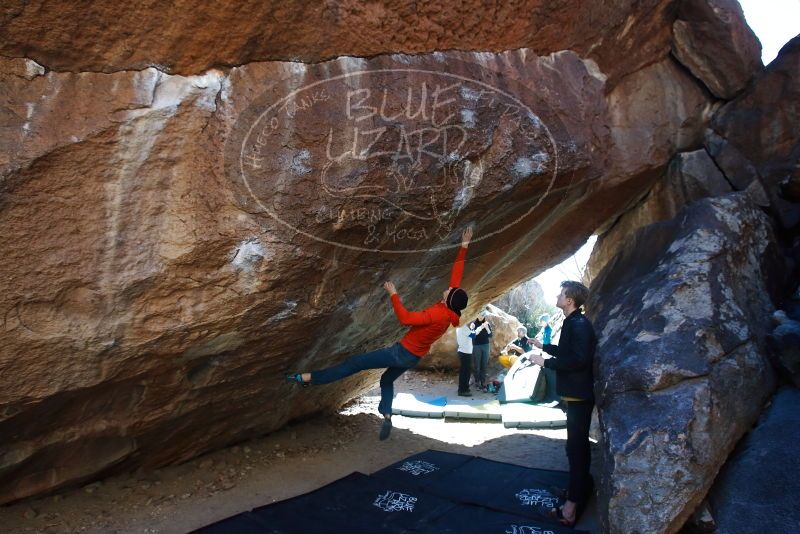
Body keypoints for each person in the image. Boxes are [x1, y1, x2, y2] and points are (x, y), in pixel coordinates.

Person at [287, 227, 473, 441]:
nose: (449, 288)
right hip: (412, 358)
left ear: (448, 300)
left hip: (400, 353)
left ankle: (308, 378)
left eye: (450, 291)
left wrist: (394, 295)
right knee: (386, 380)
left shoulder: (437, 313)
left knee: (353, 363)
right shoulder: (451, 311)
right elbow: (456, 276)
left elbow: (406, 319)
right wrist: (464, 245)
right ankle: (386, 413)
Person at [527, 281, 596, 526]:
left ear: (570, 301)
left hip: (579, 396)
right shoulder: (573, 322)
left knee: (577, 451)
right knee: (574, 449)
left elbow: (578, 360)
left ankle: (570, 509)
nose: (557, 295)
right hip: (575, 396)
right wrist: (543, 347)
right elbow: (568, 352)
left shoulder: (578, 324)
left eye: (561, 293)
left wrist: (545, 362)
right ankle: (576, 493)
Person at [469, 309, 493, 390]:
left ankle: (483, 382)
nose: (482, 316)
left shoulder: (487, 323)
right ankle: (477, 381)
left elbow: (490, 335)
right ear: (477, 315)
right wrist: (479, 328)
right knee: (477, 365)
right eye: (481, 314)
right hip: (477, 346)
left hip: (486, 345)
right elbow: (472, 336)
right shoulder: (473, 324)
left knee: (484, 364)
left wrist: (487, 328)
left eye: (483, 315)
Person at [455, 324, 474, 396]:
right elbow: (473, 335)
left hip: (463, 351)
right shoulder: (464, 327)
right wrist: (473, 328)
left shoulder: (459, 327)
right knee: (466, 372)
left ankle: (464, 388)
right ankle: (463, 390)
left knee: (464, 372)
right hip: (466, 352)